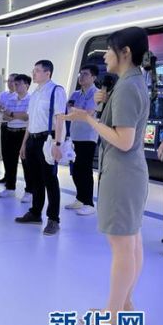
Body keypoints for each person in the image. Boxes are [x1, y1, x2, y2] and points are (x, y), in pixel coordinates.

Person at [61, 27, 150, 320]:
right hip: (129, 172)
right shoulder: (132, 83)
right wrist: (102, 105)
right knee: (131, 242)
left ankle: (112, 313)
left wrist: (88, 118)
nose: (105, 56)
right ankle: (123, 303)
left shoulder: (127, 87)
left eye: (110, 50)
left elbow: (123, 140)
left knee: (122, 245)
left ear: (125, 53)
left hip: (122, 174)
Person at [15, 60, 66, 236]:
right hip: (33, 140)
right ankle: (35, 212)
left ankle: (53, 219)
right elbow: (31, 121)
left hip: (47, 139)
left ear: (47, 73)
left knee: (50, 180)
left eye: (37, 70)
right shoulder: (35, 93)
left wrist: (58, 144)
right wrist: (24, 143)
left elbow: (60, 118)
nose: (33, 73)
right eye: (33, 70)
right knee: (35, 179)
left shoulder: (56, 91)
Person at [65, 64, 99, 216]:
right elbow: (69, 111)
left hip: (88, 137)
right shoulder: (75, 94)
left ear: (94, 77)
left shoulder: (97, 94)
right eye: (80, 74)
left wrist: (74, 110)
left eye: (85, 74)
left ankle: (89, 203)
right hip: (75, 135)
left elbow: (88, 113)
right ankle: (80, 198)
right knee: (75, 170)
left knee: (85, 169)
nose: (81, 77)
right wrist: (74, 111)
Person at [0, 74, 33, 202]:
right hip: (10, 132)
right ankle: (10, 187)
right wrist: (16, 115)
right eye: (14, 83)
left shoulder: (31, 99)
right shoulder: (10, 98)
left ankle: (29, 191)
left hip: (24, 133)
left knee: (27, 163)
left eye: (18, 84)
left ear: (27, 85)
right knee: (9, 161)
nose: (15, 86)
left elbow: (27, 116)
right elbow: (5, 116)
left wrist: (12, 114)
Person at [0, 73, 17, 184]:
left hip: (15, 126)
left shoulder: (19, 95)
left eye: (12, 81)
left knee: (13, 154)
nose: (10, 83)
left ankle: (12, 178)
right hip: (4, 125)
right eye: (9, 81)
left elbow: (13, 112)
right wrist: (2, 107)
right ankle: (7, 175)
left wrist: (3, 108)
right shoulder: (3, 94)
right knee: (5, 153)